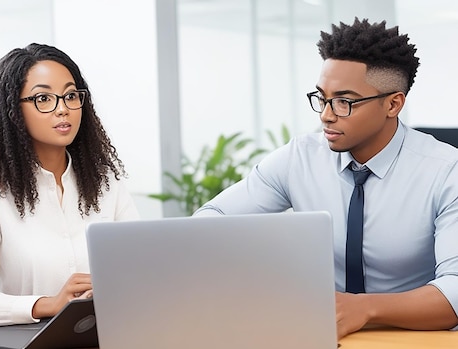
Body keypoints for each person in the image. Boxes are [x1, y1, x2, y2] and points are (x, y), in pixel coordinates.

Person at [194, 18, 458, 339]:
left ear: (393, 104)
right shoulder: (300, 158)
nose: (326, 115)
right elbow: (208, 223)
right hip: (318, 334)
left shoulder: (446, 171)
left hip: (410, 338)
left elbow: (454, 290)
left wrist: (365, 308)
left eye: (345, 102)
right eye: (322, 97)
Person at [0, 43, 139, 326]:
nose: (63, 109)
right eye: (43, 98)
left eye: (71, 95)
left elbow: (138, 269)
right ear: (13, 110)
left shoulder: (107, 184)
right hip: (27, 341)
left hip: (110, 335)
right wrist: (48, 305)